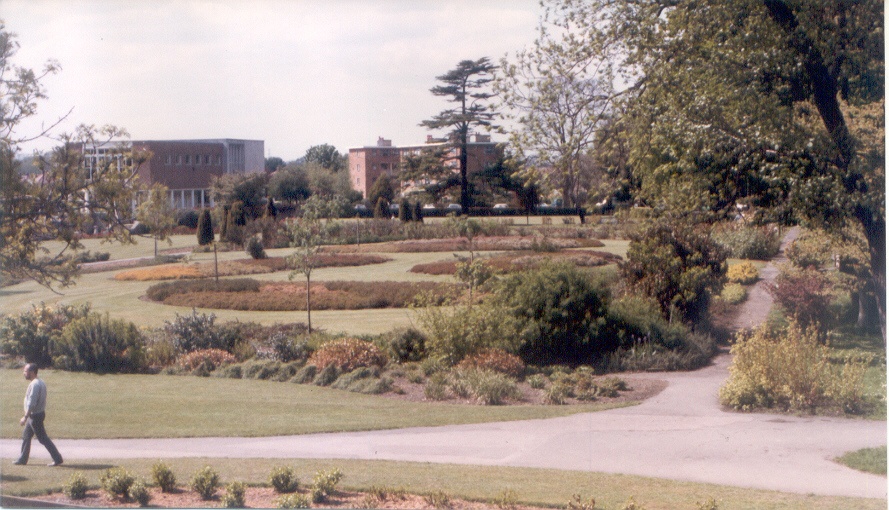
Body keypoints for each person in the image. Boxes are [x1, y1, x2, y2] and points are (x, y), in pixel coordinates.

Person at [14, 364, 63, 466]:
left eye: (25, 371)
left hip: (34, 416)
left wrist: (25, 417)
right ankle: (22, 459)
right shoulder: (40, 382)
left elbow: (32, 403)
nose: (24, 373)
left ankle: (57, 458)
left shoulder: (35, 384)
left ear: (32, 372)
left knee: (43, 439)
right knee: (26, 436)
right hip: (36, 415)